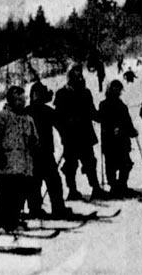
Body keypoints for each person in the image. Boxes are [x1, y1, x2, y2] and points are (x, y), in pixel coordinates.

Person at [0, 86, 38, 232]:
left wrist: (35, 146)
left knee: (19, 196)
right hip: (6, 165)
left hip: (23, 164)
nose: (22, 102)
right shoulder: (2, 116)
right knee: (4, 195)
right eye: (18, 99)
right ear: (11, 100)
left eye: (23, 99)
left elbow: (34, 139)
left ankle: (14, 221)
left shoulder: (28, 118)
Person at [54, 65, 108, 200]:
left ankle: (95, 188)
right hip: (70, 136)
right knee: (71, 165)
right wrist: (64, 132)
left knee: (90, 161)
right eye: (75, 74)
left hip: (85, 134)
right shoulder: (61, 94)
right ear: (70, 76)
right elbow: (58, 118)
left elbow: (92, 111)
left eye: (80, 74)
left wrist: (101, 116)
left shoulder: (85, 92)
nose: (78, 76)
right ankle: (72, 190)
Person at [24, 82, 74, 218]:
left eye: (40, 93)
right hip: (31, 154)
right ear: (32, 95)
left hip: (46, 152)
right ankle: (35, 209)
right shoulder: (26, 112)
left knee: (54, 182)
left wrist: (66, 139)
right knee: (34, 183)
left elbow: (61, 125)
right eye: (36, 93)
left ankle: (58, 208)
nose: (38, 96)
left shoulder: (47, 110)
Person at [98, 80, 139, 197]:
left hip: (122, 141)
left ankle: (122, 185)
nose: (116, 91)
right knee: (111, 165)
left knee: (126, 164)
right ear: (109, 89)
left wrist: (132, 131)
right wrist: (113, 128)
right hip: (110, 141)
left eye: (118, 89)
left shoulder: (122, 106)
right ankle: (114, 186)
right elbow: (103, 120)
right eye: (114, 88)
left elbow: (127, 121)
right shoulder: (104, 104)